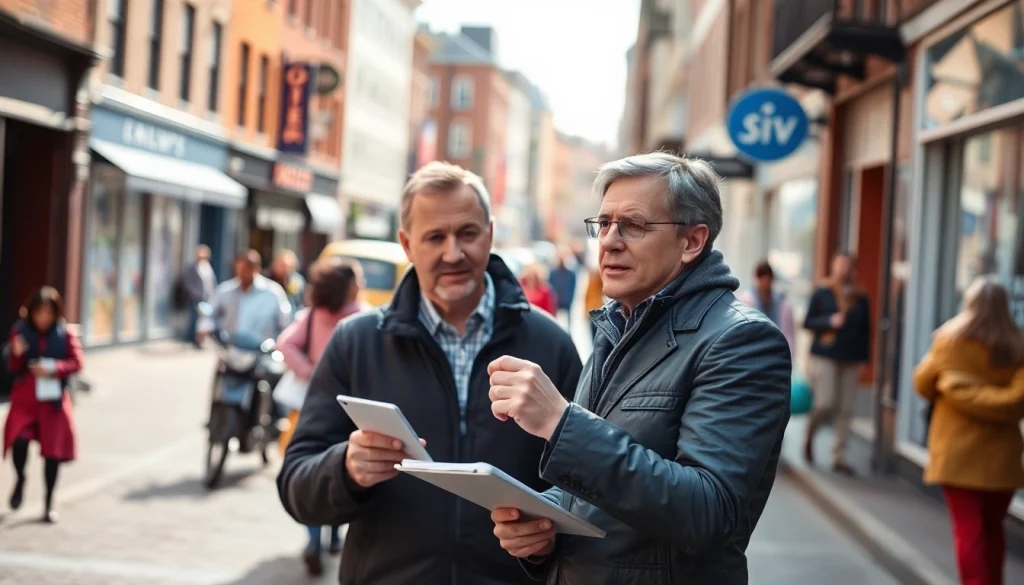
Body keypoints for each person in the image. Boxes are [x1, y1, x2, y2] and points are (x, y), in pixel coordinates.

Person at [487, 152, 792, 584]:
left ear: (692, 241)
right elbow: (597, 488)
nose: (609, 241)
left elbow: (707, 511)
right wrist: (544, 527)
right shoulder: (618, 324)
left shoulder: (742, 341)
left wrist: (559, 422)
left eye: (633, 225)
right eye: (604, 224)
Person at [277, 161, 583, 585]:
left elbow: (589, 490)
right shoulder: (356, 343)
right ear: (407, 244)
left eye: (467, 233)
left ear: (490, 234)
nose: (453, 253)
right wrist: (345, 468)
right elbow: (296, 487)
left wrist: (548, 536)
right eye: (435, 237)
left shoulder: (551, 345)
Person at [913, 276, 1024, 585]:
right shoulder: (1017, 345)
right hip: (1001, 458)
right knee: (993, 530)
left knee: (969, 531)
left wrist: (955, 386)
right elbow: (1018, 400)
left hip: (957, 454)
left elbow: (922, 383)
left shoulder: (948, 341)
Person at [276, 256, 369, 577]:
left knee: (318, 466)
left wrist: (310, 372)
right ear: (347, 286)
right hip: (352, 410)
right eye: (358, 279)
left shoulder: (313, 315)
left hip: (312, 407)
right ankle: (332, 536)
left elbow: (286, 345)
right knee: (344, 469)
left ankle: (315, 540)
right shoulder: (362, 318)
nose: (362, 285)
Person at [3, 287, 84, 523]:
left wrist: (54, 368)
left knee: (52, 453)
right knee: (19, 441)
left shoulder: (64, 334)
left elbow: (77, 362)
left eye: (48, 313)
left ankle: (48, 504)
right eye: (39, 313)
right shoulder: (20, 331)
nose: (43, 318)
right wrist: (16, 354)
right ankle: (20, 478)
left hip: (53, 401)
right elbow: (12, 367)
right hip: (26, 399)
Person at [802, 252, 871, 475]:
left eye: (848, 266)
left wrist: (865, 359)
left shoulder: (860, 297)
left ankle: (839, 456)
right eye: (840, 265)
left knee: (846, 409)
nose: (844, 270)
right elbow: (808, 322)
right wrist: (828, 321)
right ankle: (810, 435)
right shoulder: (823, 292)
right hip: (826, 356)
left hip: (851, 358)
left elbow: (866, 330)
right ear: (833, 267)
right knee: (825, 403)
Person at [197, 250, 292, 348]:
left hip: (261, 351)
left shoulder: (273, 292)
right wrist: (206, 328)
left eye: (246, 269)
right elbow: (210, 312)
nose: (241, 274)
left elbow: (285, 323)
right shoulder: (225, 290)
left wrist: (277, 345)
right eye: (239, 269)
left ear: (256, 269)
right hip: (229, 349)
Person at [738, 260, 796, 356]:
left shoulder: (783, 303)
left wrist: (789, 355)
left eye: (767, 278)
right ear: (756, 279)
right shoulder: (746, 300)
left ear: (771, 279)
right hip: (754, 353)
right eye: (761, 278)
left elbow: (790, 334)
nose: (764, 282)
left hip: (778, 353)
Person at [181, 245, 218, 347]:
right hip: (196, 298)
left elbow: (212, 282)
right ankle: (191, 339)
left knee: (204, 320)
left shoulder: (208, 268)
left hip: (207, 297)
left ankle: (199, 340)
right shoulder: (192, 268)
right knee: (194, 319)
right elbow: (187, 282)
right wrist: (194, 294)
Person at [269, 249, 307, 315]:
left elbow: (301, 302)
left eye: (289, 267)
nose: (285, 269)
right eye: (282, 266)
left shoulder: (298, 281)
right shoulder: (268, 281)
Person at [548, 255, 578, 329]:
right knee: (554, 318)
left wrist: (570, 298)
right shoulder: (553, 273)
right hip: (557, 299)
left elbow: (573, 286)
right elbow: (550, 286)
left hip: (566, 300)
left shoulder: (571, 274)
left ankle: (569, 330)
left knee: (568, 319)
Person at [583, 265, 604, 339]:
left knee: (598, 335)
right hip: (591, 311)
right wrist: (585, 311)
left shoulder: (598, 280)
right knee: (593, 336)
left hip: (598, 310)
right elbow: (586, 297)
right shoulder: (590, 282)